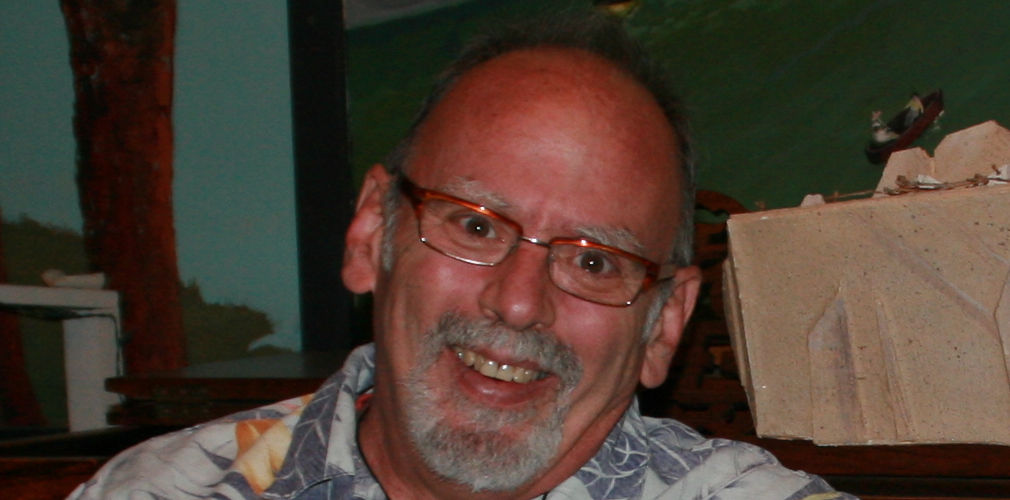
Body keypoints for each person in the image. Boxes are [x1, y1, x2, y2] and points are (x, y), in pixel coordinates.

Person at [71, 13, 856, 500]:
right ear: (370, 232)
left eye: (594, 262)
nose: (517, 302)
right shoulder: (157, 492)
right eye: (476, 227)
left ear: (665, 323)